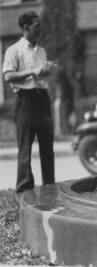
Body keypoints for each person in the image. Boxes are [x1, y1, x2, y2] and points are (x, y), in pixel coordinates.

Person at [2, 11, 56, 193]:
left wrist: (45, 72)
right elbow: (8, 76)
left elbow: (40, 73)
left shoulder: (41, 50)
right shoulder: (14, 50)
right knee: (25, 149)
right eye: (37, 26)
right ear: (26, 28)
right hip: (26, 101)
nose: (40, 29)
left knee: (47, 147)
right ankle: (24, 190)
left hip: (42, 99)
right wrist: (34, 71)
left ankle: (50, 187)